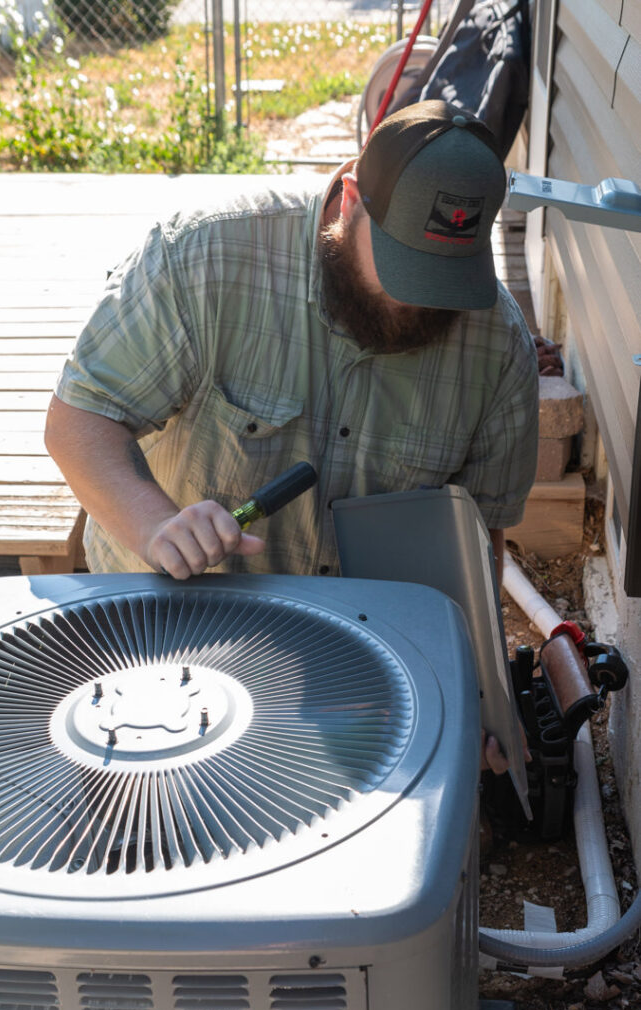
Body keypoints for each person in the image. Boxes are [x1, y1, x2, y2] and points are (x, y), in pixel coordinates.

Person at [45, 100, 539, 772]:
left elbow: (476, 541)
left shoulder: (497, 345)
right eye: (401, 265)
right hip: (168, 643)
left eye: (443, 277)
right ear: (349, 198)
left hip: (354, 662)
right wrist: (158, 526)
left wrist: (475, 691)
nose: (420, 301)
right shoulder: (206, 258)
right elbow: (79, 420)